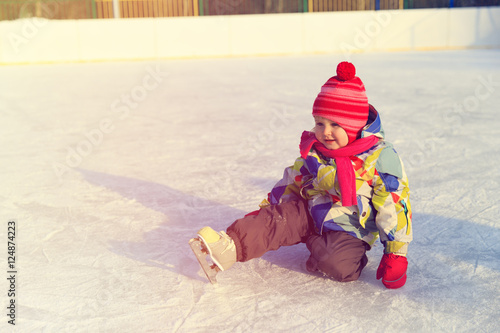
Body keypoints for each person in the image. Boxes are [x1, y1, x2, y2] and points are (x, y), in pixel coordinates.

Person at [195, 62, 412, 289]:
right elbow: (293, 178)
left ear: (354, 126)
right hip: (309, 211)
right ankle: (228, 247)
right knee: (273, 222)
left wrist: (395, 252)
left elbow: (395, 203)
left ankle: (317, 246)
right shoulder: (316, 149)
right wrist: (268, 209)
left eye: (334, 124)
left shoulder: (379, 157)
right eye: (319, 122)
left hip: (350, 226)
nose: (325, 132)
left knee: (338, 265)